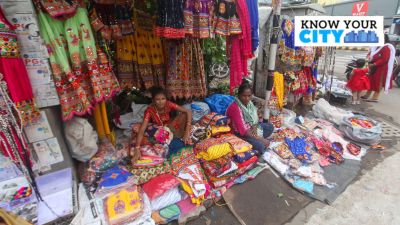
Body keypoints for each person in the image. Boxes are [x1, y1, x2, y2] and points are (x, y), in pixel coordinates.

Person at [131, 87, 192, 163]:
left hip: (170, 127)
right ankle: (169, 140)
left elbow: (188, 111)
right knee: (141, 130)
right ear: (153, 100)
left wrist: (187, 132)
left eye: (163, 99)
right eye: (158, 99)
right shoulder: (149, 111)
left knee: (184, 115)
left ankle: (180, 136)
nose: (161, 102)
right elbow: (142, 129)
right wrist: (137, 148)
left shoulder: (168, 104)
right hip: (158, 130)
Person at [226, 81, 274, 154]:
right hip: (240, 134)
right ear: (239, 95)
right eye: (244, 96)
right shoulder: (235, 107)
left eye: (249, 96)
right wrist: (261, 139)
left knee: (270, 127)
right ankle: (256, 141)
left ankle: (256, 140)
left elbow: (255, 118)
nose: (247, 98)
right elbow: (243, 131)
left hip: (250, 128)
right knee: (260, 146)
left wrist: (255, 125)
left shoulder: (249, 103)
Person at [362, 34, 396, 102]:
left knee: (378, 82)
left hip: (381, 68)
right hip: (373, 67)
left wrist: (375, 64)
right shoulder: (376, 46)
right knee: (371, 81)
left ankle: (375, 97)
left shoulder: (386, 47)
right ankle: (367, 95)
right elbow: (371, 53)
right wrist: (369, 58)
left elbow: (385, 59)